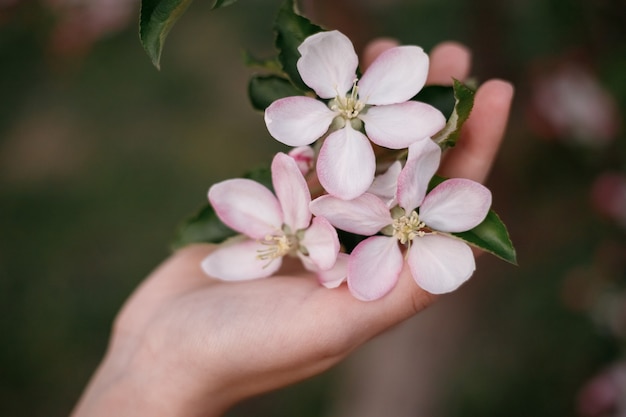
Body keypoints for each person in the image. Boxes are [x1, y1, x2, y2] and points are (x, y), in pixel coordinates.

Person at [71, 39, 514, 417]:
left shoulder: (384, 179)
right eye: (345, 102)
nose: (348, 106)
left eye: (350, 102)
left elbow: (407, 159)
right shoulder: (321, 194)